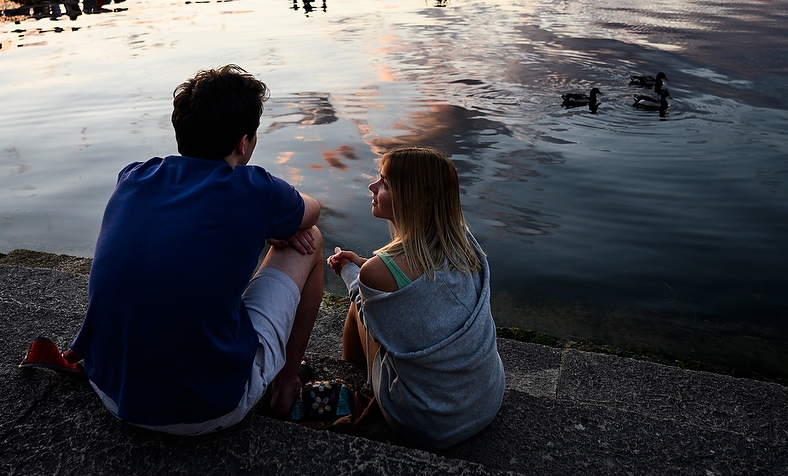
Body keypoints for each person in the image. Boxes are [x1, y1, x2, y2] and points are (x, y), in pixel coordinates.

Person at [70, 65, 324, 433]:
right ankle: (287, 385)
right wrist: (274, 221)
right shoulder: (255, 189)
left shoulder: (134, 175)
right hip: (206, 407)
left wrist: (265, 225)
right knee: (310, 240)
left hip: (111, 390)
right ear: (244, 142)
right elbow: (311, 210)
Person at [326, 146, 504, 450]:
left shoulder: (376, 271)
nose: (372, 187)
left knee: (360, 310)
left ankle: (354, 370)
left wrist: (349, 271)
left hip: (425, 423)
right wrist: (365, 265)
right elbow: (419, 282)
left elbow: (367, 307)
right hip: (486, 401)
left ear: (409, 197)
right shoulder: (463, 244)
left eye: (384, 183)